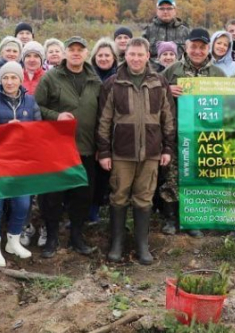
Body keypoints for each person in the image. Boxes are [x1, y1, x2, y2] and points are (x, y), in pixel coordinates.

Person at [98, 38, 175, 265]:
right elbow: (104, 120)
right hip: (122, 152)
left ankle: (142, 245)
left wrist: (167, 148)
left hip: (151, 152)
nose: (136, 59)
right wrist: (104, 152)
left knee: (144, 198)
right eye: (132, 54)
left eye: (140, 55)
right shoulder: (113, 83)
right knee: (119, 196)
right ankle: (117, 244)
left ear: (148, 55)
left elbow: (168, 118)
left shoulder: (159, 82)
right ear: (126, 56)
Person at [34, 36, 102, 258]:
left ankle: (76, 236)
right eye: (71, 49)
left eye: (79, 50)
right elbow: (36, 108)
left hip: (85, 148)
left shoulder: (95, 80)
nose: (75, 53)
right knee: (53, 197)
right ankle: (52, 238)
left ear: (86, 53)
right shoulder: (51, 78)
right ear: (64, 53)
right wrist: (55, 115)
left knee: (82, 196)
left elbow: (102, 115)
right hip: (56, 149)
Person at [0, 61, 41, 266]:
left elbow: (39, 128)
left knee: (22, 203)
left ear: (20, 80)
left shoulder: (30, 102)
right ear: (0, 80)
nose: (9, 82)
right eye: (6, 77)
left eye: (13, 78)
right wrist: (3, 129)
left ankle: (13, 239)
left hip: (21, 162)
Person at [160, 28, 226, 236]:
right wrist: (167, 91)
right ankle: (171, 218)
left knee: (197, 176)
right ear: (186, 47)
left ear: (208, 49)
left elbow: (231, 102)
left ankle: (193, 219)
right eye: (194, 46)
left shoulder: (218, 74)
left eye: (202, 47)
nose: (198, 51)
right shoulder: (172, 70)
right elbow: (153, 89)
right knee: (172, 176)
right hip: (176, 132)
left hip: (205, 135)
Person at [89, 37, 119, 224]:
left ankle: (96, 211)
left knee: (103, 176)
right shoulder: (89, 75)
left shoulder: (121, 76)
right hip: (89, 130)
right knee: (89, 175)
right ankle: (82, 211)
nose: (104, 58)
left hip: (113, 132)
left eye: (107, 55)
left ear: (114, 57)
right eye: (100, 55)